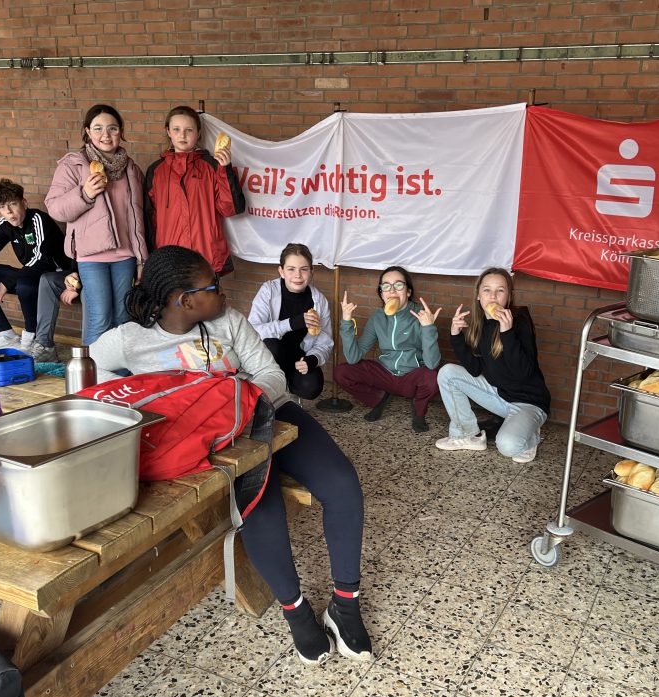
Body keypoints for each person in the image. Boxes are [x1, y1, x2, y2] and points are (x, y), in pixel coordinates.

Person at [89, 245, 371, 665]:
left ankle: (345, 605)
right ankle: (295, 612)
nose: (223, 293)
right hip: (218, 444)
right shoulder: (131, 339)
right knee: (262, 508)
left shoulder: (229, 321)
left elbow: (272, 374)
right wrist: (147, 405)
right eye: (213, 287)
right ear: (184, 300)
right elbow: (90, 368)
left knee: (343, 486)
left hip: (271, 414)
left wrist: (243, 403)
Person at [45, 104, 148, 345]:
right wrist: (85, 194)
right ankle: (94, 369)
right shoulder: (72, 165)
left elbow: (137, 218)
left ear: (121, 131)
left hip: (125, 256)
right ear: (88, 132)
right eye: (98, 128)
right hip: (91, 257)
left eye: (112, 128)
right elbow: (55, 208)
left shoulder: (131, 169)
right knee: (100, 320)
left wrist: (142, 259)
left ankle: (117, 368)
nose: (106, 135)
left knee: (123, 320)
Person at [435, 268, 550, 463]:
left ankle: (530, 435)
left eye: (500, 290)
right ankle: (467, 435)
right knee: (447, 373)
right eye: (487, 290)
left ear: (509, 296)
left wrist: (507, 333)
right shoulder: (481, 324)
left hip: (528, 402)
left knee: (508, 446)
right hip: (499, 395)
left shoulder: (519, 321)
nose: (493, 296)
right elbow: (475, 370)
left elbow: (522, 373)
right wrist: (456, 336)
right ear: (478, 296)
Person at [0, 178, 77, 362]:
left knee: (24, 284)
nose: (8, 212)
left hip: (54, 276)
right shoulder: (5, 224)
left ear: (24, 203)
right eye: (2, 207)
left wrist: (6, 283)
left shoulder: (38, 219)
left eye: (13, 204)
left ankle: (31, 338)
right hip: (28, 274)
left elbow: (41, 260)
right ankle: (6, 333)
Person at [334, 266, 441, 432]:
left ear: (408, 291)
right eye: (386, 286)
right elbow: (353, 357)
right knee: (342, 372)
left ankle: (419, 411)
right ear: (381, 293)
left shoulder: (421, 315)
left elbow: (432, 363)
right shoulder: (378, 317)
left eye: (398, 285)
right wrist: (346, 322)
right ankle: (378, 398)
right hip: (385, 374)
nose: (392, 291)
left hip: (411, 377)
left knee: (433, 377)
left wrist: (428, 327)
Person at [143, 106, 246, 276]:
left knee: (207, 295)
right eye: (176, 129)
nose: (182, 135)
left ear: (198, 133)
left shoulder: (213, 165)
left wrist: (225, 169)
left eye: (189, 130)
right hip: (169, 256)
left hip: (206, 255)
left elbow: (230, 208)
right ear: (168, 131)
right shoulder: (156, 171)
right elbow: (150, 218)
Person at [247, 243, 332, 400]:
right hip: (271, 357)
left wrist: (313, 359)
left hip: (297, 359)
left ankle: (287, 391)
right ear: (281, 271)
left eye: (304, 269)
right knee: (272, 346)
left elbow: (325, 342)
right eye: (291, 269)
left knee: (311, 387)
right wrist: (291, 323)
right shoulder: (268, 290)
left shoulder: (319, 300)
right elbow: (252, 331)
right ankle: (268, 393)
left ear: (311, 272)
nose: (297, 275)